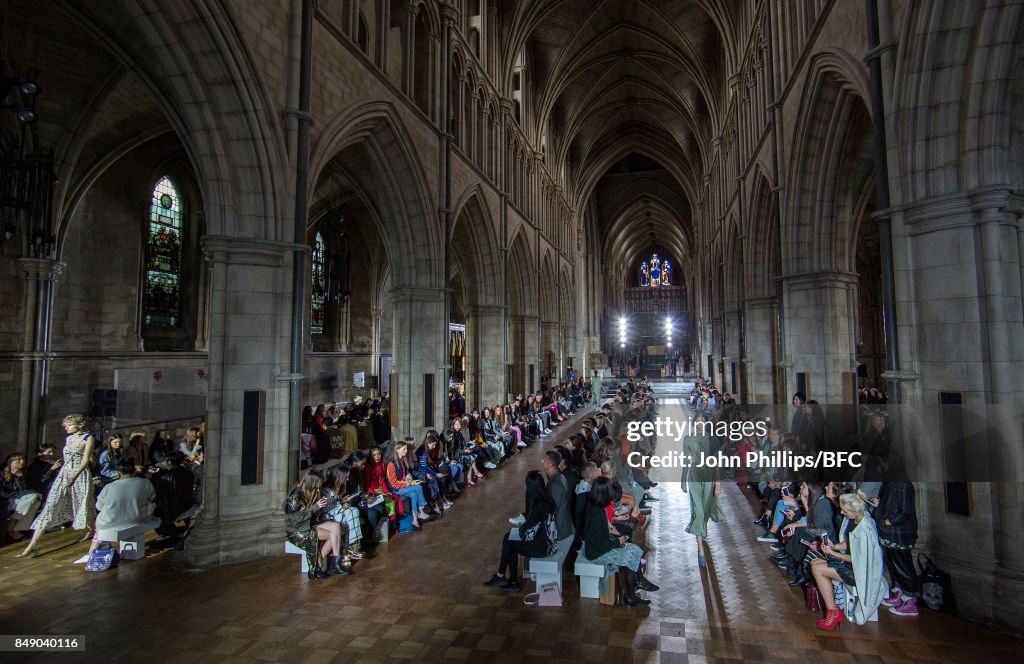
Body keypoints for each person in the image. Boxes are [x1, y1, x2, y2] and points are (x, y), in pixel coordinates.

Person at [18, 414, 96, 558]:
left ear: (78, 424)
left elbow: (85, 459)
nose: (65, 427)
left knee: (84, 504)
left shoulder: (88, 438)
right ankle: (32, 545)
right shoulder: (69, 438)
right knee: (51, 505)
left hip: (80, 475)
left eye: (68, 425)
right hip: (64, 474)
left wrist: (75, 475)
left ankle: (92, 530)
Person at [810, 491, 888, 630]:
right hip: (854, 566)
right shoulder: (857, 519)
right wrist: (834, 546)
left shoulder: (865, 531)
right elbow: (850, 543)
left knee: (817, 569)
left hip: (861, 574)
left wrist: (834, 553)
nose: (842, 512)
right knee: (815, 562)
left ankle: (833, 611)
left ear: (854, 510)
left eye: (845, 511)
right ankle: (833, 609)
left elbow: (858, 560)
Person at [581, 476, 659, 606]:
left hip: (600, 546)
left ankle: (636, 586)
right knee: (632, 554)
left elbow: (603, 530)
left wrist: (614, 532)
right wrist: (618, 542)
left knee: (634, 551)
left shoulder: (595, 505)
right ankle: (631, 594)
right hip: (596, 553)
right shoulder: (596, 512)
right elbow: (601, 544)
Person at [482, 470, 556, 592]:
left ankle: (505, 577)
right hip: (550, 541)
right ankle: (507, 578)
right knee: (509, 538)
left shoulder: (537, 505)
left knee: (509, 541)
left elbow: (528, 532)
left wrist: (521, 526)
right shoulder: (547, 498)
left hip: (542, 547)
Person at [283, 470, 348, 580]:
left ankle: (334, 563)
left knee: (336, 527)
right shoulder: (296, 496)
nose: (318, 488)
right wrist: (315, 507)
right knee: (332, 536)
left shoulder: (311, 492)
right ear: (311, 483)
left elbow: (312, 514)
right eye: (317, 485)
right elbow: (295, 519)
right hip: (297, 530)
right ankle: (316, 567)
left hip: (308, 525)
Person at [86, 458, 156, 556]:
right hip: (138, 518)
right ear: (134, 471)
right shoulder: (145, 482)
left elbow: (99, 506)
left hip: (110, 522)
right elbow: (152, 498)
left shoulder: (109, 487)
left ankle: (91, 553)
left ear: (119, 472)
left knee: (99, 528)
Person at [682, 414, 723, 567]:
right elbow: (686, 460)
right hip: (694, 476)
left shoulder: (712, 440)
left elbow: (717, 462)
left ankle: (701, 527)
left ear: (706, 424)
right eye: (697, 422)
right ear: (694, 424)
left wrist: (718, 482)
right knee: (698, 510)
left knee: (704, 511)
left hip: (709, 476)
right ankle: (700, 550)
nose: (700, 424)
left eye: (702, 421)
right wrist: (683, 481)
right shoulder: (688, 439)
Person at [383, 439, 434, 530]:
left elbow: (407, 474)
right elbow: (394, 483)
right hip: (396, 489)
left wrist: (409, 478)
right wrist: (411, 483)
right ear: (397, 450)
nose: (406, 451)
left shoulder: (403, 460)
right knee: (418, 487)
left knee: (414, 494)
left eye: (406, 449)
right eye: (404, 449)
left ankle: (415, 520)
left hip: (404, 485)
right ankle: (422, 510)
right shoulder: (391, 464)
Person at [2, 453, 42, 543]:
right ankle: (12, 525)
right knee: (33, 496)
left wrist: (19, 478)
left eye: (23, 459)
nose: (22, 462)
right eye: (18, 460)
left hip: (20, 500)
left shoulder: (23, 473)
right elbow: (3, 493)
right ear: (11, 462)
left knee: (36, 502)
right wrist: (18, 494)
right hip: (7, 500)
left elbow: (24, 489)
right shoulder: (2, 474)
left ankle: (16, 528)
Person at [541, 450, 575, 542]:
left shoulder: (555, 484)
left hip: (561, 531)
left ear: (550, 464)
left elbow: (554, 509)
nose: (541, 461)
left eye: (544, 460)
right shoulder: (559, 477)